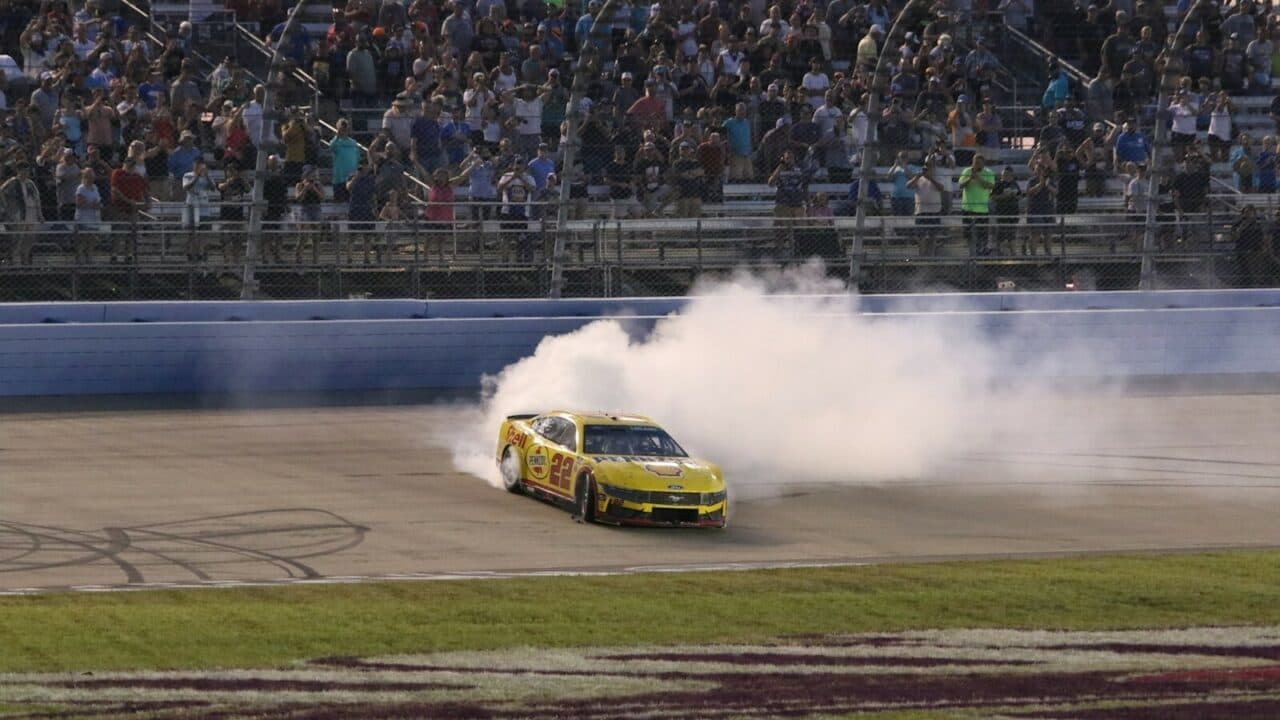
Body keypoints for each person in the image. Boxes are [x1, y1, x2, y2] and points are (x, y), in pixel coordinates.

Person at [0, 165, 44, 265]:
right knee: (17, 239)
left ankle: (25, 260)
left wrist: (39, 213)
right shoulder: (12, 182)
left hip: (31, 214)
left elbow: (37, 198)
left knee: (29, 239)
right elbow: (1, 191)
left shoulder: (30, 183)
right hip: (18, 215)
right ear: (18, 170)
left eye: (27, 170)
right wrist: (6, 206)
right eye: (23, 170)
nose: (25, 173)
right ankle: (15, 261)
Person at [958, 153, 995, 256]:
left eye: (979, 163)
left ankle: (981, 251)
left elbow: (990, 186)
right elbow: (960, 185)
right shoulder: (967, 171)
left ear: (983, 163)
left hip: (982, 209)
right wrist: (970, 178)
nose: (977, 165)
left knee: (982, 233)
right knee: (968, 233)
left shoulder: (988, 172)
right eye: (975, 162)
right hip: (967, 208)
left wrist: (978, 178)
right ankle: (971, 252)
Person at [908, 160, 945, 257]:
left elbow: (941, 188)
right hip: (921, 211)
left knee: (933, 235)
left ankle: (931, 255)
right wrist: (916, 177)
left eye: (929, 167)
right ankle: (921, 255)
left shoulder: (938, 177)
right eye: (925, 167)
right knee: (921, 235)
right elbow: (908, 186)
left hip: (934, 211)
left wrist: (931, 178)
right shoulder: (919, 179)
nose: (927, 169)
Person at [181, 158, 215, 261]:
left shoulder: (207, 177)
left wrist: (207, 176)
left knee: (204, 233)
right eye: (197, 166)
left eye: (201, 166)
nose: (199, 168)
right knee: (191, 233)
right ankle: (190, 254)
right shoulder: (188, 175)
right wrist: (196, 177)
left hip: (204, 208)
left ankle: (201, 253)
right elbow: (186, 187)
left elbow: (213, 188)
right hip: (191, 207)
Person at [293, 165, 326, 263]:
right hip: (305, 209)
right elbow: (298, 198)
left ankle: (315, 260)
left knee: (316, 237)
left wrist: (315, 189)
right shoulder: (299, 185)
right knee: (304, 236)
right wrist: (305, 189)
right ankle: (298, 257)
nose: (313, 176)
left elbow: (323, 198)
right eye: (310, 174)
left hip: (316, 209)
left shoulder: (318, 185)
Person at [990, 166, 1022, 257]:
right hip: (1002, 212)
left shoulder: (1014, 184)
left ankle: (1013, 254)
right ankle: (999, 253)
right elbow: (992, 197)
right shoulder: (998, 184)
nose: (1005, 176)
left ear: (1011, 175)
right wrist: (1004, 196)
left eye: (1007, 175)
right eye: (1004, 175)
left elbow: (1020, 196)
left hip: (1013, 212)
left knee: (1011, 234)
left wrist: (1014, 195)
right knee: (1001, 234)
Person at [73, 168, 102, 264]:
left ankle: (89, 258)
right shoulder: (81, 188)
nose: (91, 179)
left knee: (92, 239)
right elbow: (79, 203)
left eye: (92, 177)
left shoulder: (95, 187)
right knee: (83, 240)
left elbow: (97, 202)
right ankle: (79, 259)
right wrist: (92, 205)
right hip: (83, 218)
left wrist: (95, 205)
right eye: (89, 177)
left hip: (94, 218)